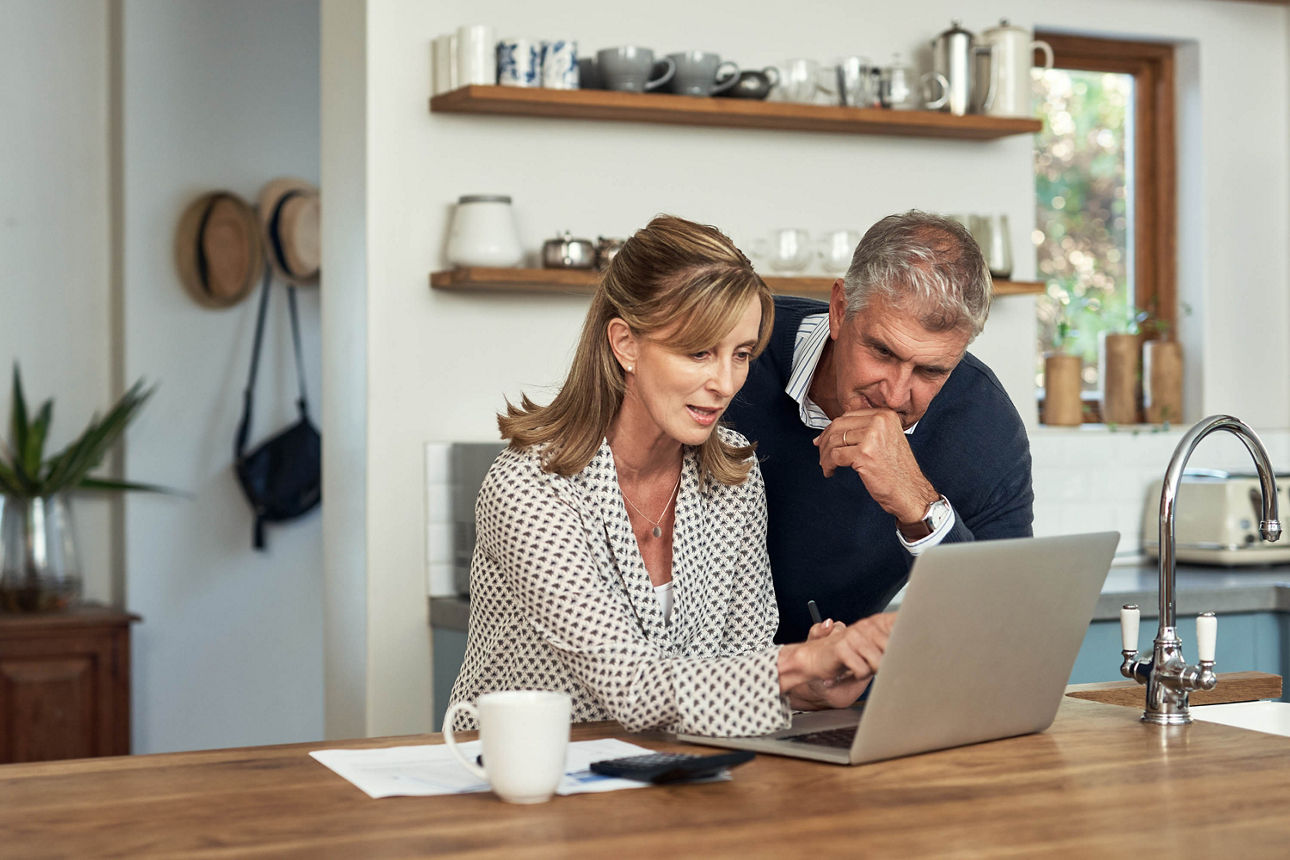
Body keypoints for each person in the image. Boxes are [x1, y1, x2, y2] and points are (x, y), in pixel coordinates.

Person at [448, 215, 895, 737]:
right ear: (626, 344)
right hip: (523, 782)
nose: (725, 383)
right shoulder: (529, 488)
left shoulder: (733, 478)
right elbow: (631, 686)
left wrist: (806, 691)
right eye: (698, 351)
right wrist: (800, 664)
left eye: (742, 354)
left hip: (668, 781)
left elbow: (738, 661)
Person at [725, 211, 1033, 644]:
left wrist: (920, 507)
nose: (895, 394)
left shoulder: (984, 426)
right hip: (696, 682)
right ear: (839, 309)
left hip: (840, 689)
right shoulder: (738, 353)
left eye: (930, 370)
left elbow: (1007, 625)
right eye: (883, 352)